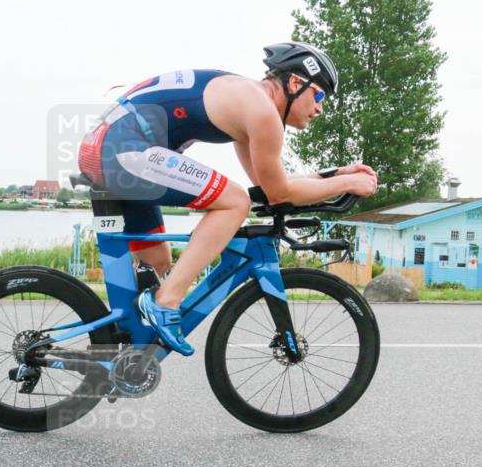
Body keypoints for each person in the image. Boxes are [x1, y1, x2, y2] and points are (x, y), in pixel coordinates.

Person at [77, 42, 378, 356]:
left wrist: (334, 175)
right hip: (122, 152)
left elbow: (271, 187)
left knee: (158, 262)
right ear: (294, 83)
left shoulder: (249, 103)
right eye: (318, 96)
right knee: (235, 202)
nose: (320, 109)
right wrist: (349, 182)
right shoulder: (262, 113)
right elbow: (279, 194)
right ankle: (166, 302)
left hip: (110, 149)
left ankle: (124, 351)